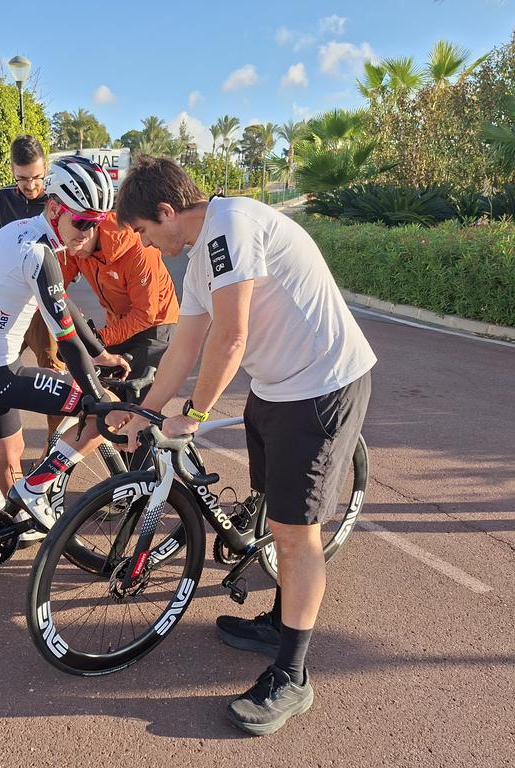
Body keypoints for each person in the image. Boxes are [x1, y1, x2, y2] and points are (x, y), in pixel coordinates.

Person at [115, 156, 375, 736]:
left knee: (295, 534)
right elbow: (185, 347)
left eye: (145, 232)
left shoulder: (231, 225)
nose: (147, 245)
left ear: (166, 212)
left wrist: (195, 414)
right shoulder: (199, 259)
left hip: (323, 384)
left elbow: (231, 336)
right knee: (273, 509)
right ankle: (281, 621)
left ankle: (293, 677)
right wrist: (146, 410)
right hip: (275, 386)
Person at [0, 156, 130, 537]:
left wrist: (99, 353)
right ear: (55, 208)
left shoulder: (21, 230)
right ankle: (35, 489)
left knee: (8, 451)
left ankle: (9, 526)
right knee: (106, 412)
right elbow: (66, 341)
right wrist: (97, 396)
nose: (88, 234)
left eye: (96, 223)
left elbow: (61, 299)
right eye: (82, 222)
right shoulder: (37, 253)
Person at [58, 210, 179, 403]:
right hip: (118, 319)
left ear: (91, 229)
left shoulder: (139, 249)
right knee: (106, 399)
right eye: (68, 245)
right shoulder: (76, 241)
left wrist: (98, 339)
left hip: (155, 323)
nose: (71, 253)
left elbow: (144, 314)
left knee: (140, 401)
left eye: (75, 244)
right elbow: (54, 289)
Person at [0, 135, 65, 436]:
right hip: (9, 300)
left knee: (53, 373)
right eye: (22, 179)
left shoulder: (57, 201)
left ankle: (54, 446)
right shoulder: (3, 198)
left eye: (36, 177)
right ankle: (2, 440)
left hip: (43, 303)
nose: (31, 186)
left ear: (45, 168)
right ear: (12, 170)